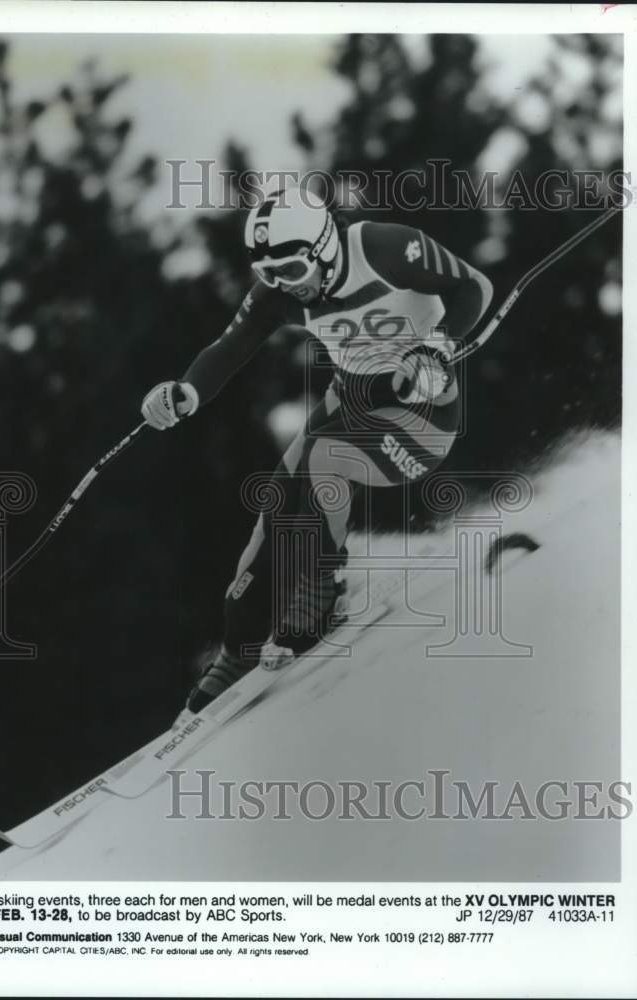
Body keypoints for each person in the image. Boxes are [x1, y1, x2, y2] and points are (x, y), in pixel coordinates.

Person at [141, 183, 493, 717]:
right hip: (349, 402)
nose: (285, 286)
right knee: (278, 505)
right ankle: (238, 648)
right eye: (270, 274)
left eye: (293, 272)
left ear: (325, 249)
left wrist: (436, 347)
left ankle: (323, 592)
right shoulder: (281, 289)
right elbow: (232, 346)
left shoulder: (384, 248)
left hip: (419, 414)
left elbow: (475, 287)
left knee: (324, 457)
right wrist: (184, 392)